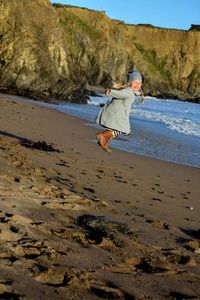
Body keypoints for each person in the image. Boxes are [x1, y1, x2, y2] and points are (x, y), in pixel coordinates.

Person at [96, 69, 143, 153]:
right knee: (123, 129)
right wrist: (111, 92)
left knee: (123, 129)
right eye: (135, 82)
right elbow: (121, 93)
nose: (137, 85)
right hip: (117, 113)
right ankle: (103, 137)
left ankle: (104, 140)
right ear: (130, 83)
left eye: (139, 83)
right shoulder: (128, 91)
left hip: (119, 113)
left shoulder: (131, 92)